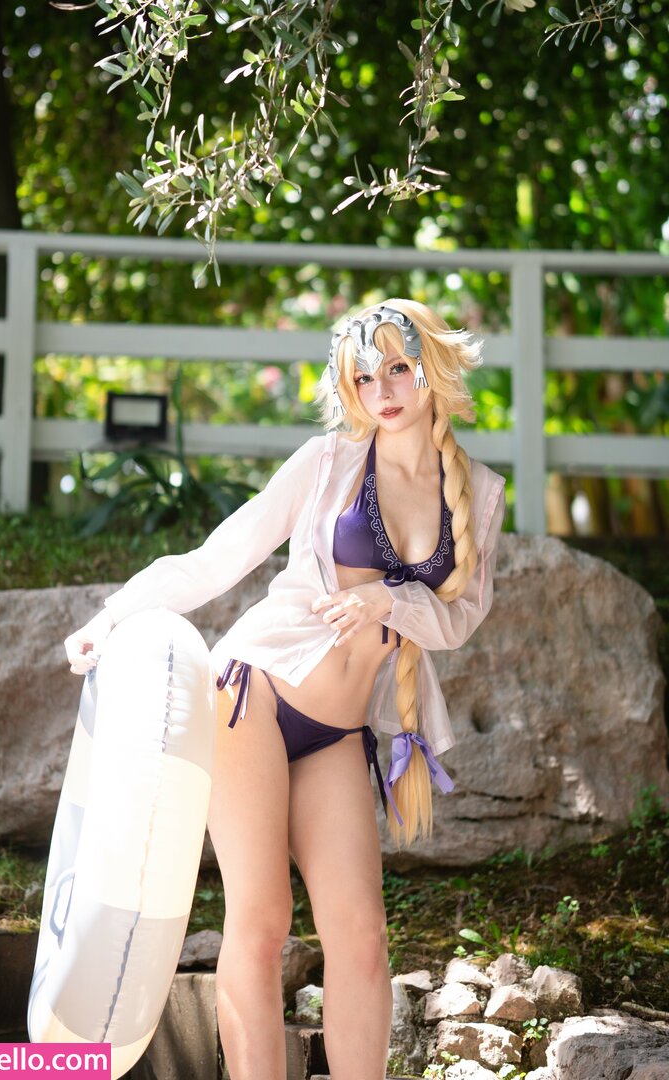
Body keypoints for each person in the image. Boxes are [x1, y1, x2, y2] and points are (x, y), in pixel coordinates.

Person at [64, 298, 506, 1080]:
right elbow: (214, 560)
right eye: (364, 377)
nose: (382, 391)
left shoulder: (480, 491)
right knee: (264, 921)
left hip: (338, 731)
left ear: (431, 367)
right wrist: (111, 616)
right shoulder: (327, 461)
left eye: (398, 368)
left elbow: (460, 617)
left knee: (362, 937)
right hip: (253, 696)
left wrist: (388, 602)